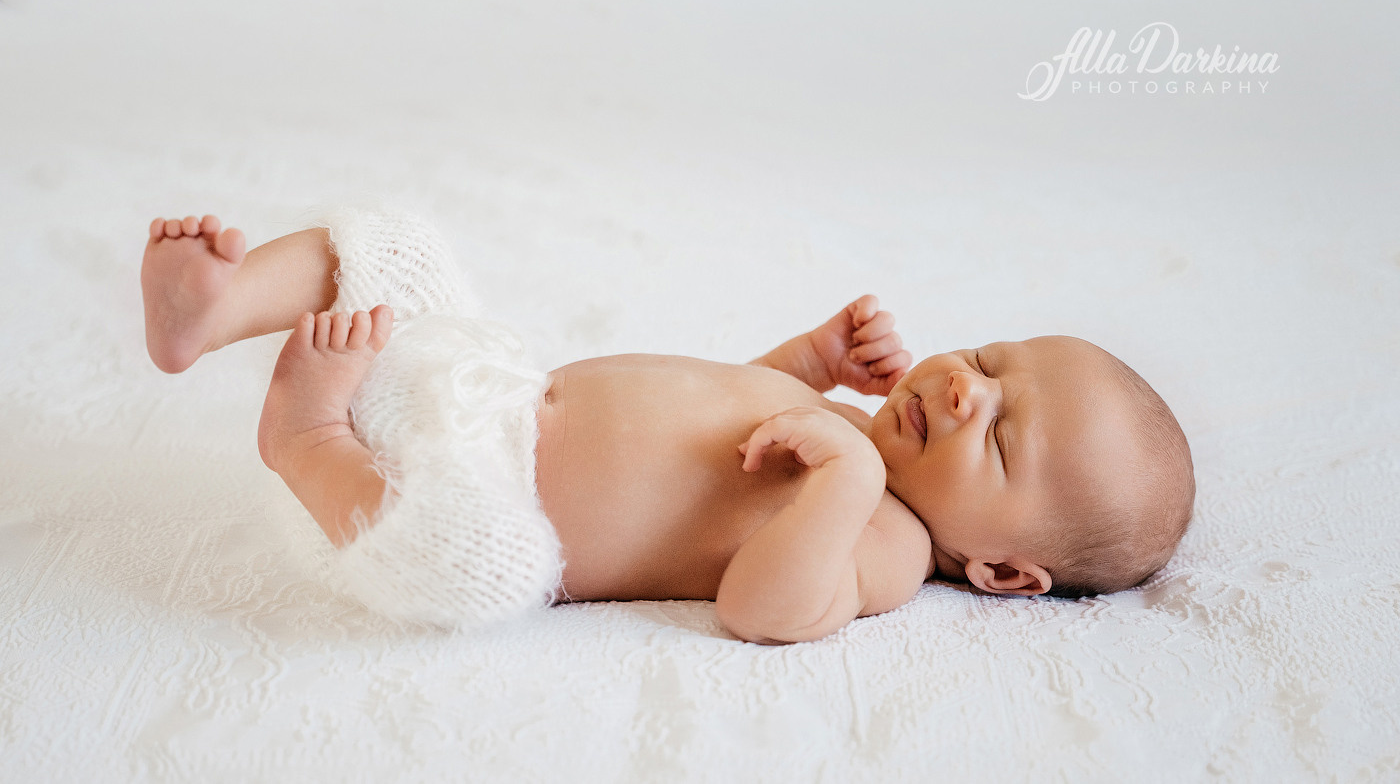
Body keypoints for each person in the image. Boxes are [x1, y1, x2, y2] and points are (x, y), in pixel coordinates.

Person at [141, 208, 1194, 644]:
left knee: (486, 572)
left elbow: (766, 609)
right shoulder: (844, 432)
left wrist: (840, 481)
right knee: (400, 248)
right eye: (991, 362)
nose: (966, 390)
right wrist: (808, 365)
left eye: (1000, 439)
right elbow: (718, 419)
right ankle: (213, 309)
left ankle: (307, 441)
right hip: (484, 390)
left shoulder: (885, 536)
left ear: (1004, 572)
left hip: (455, 501)